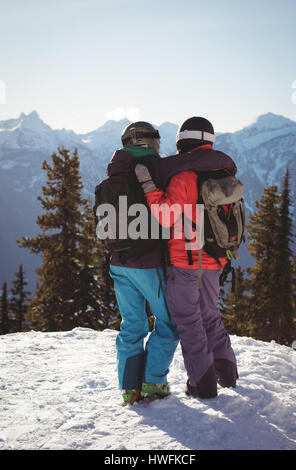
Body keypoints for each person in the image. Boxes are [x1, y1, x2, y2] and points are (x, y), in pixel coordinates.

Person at [135, 117, 239, 399]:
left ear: (183, 141)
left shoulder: (184, 176)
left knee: (189, 320)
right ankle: (227, 371)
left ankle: (202, 384)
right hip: (216, 259)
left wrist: (148, 186)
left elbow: (166, 215)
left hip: (186, 261)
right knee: (209, 314)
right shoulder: (222, 173)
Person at [97, 121, 179, 405]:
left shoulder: (112, 176)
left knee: (132, 325)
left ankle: (128, 389)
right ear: (148, 142)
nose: (160, 145)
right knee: (168, 322)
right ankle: (154, 383)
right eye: (157, 139)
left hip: (118, 263)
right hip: (149, 263)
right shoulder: (157, 172)